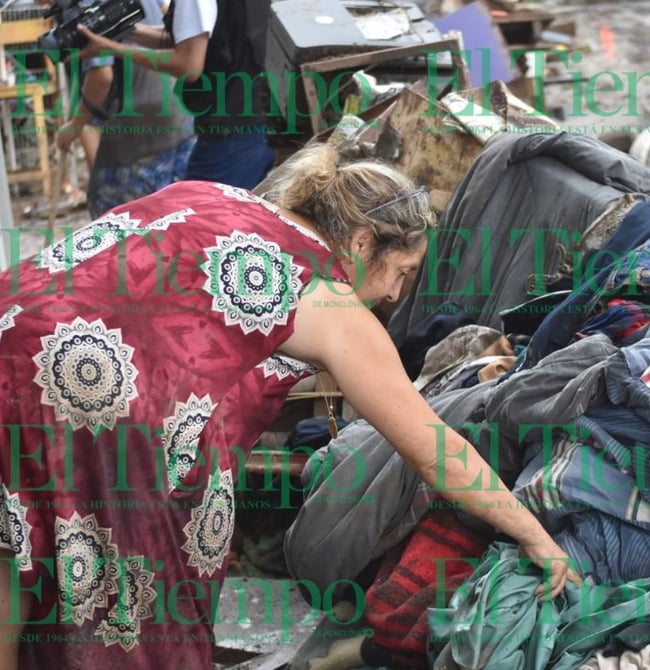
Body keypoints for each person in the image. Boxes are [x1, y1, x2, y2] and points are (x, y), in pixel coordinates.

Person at [0, 143, 576, 670]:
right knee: (136, 579)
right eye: (401, 272)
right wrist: (533, 535)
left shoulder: (218, 196)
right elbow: (435, 449)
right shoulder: (325, 293)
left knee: (15, 549)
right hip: (73, 384)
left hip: (12, 329)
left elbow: (161, 310)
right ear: (361, 243)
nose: (397, 295)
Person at [74, 0, 275, 190]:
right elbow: (188, 39)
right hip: (261, 115)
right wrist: (124, 31)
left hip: (231, 133)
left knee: (198, 219)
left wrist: (113, 49)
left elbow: (188, 65)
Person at [55, 0, 195, 217]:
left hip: (139, 135)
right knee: (179, 219)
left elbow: (101, 76)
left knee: (112, 220)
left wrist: (74, 125)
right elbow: (172, 26)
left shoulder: (80, 8)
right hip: (180, 121)